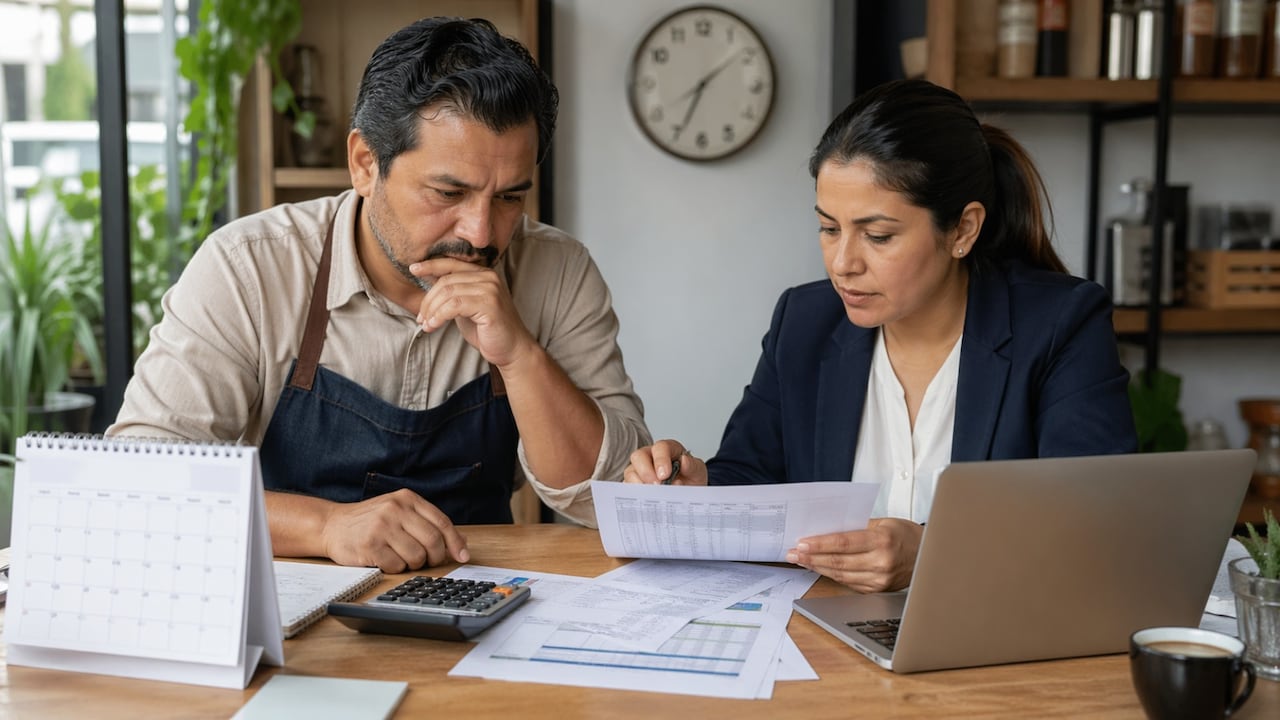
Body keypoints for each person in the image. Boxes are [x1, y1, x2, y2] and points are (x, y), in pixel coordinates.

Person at [109, 17, 649, 572]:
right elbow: (139, 482)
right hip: (294, 611)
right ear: (366, 164)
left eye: (510, 198)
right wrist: (327, 526)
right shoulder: (250, 266)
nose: (482, 234)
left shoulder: (559, 271)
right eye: (449, 192)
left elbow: (614, 502)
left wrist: (519, 355)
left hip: (481, 600)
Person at [624, 79, 1136, 593]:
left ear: (962, 230)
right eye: (829, 228)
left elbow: (1093, 519)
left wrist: (934, 551)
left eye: (878, 236)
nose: (843, 264)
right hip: (831, 639)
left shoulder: (1060, 323)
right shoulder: (804, 321)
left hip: (995, 639)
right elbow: (754, 472)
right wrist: (698, 485)